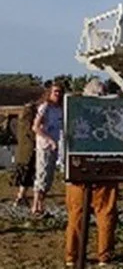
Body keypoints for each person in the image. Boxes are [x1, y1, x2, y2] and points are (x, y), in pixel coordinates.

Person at [65, 79, 119, 268]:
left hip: (79, 169)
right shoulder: (113, 116)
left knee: (76, 213)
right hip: (105, 170)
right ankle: (104, 255)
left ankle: (72, 255)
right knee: (105, 213)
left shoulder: (74, 114)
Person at [32, 80, 64, 216]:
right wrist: (49, 140)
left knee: (49, 178)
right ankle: (35, 206)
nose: (57, 94)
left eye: (59, 92)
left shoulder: (60, 109)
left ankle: (41, 205)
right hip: (44, 145)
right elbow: (35, 127)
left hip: (55, 145)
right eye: (55, 92)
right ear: (50, 93)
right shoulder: (45, 107)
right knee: (42, 175)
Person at [12, 102, 37, 208]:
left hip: (22, 152)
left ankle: (21, 196)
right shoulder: (28, 123)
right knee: (26, 175)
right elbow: (31, 136)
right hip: (28, 152)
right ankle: (20, 197)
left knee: (24, 174)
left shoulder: (17, 122)